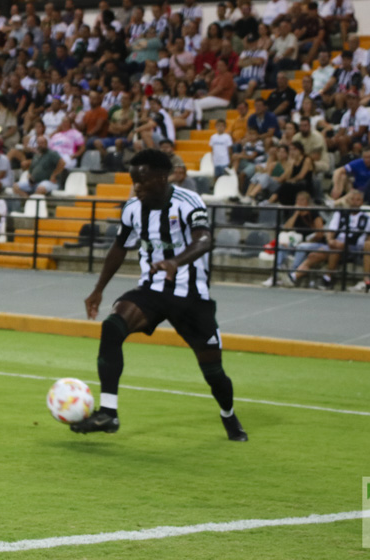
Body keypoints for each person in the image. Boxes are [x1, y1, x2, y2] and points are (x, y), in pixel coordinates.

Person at [73, 150, 247, 442]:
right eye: (133, 181)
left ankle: (228, 414)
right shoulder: (132, 209)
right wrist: (98, 289)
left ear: (162, 177)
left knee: (213, 371)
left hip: (192, 297)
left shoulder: (189, 202)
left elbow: (204, 239)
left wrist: (175, 262)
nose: (137, 187)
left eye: (142, 181)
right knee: (112, 327)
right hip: (152, 290)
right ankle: (109, 413)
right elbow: (119, 247)